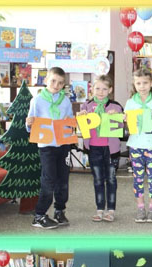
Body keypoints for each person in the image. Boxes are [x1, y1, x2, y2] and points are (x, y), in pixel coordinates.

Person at [27, 66, 74, 229]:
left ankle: (59, 211)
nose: (56, 85)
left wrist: (74, 122)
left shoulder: (66, 101)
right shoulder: (37, 100)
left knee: (63, 181)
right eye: (53, 81)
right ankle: (39, 215)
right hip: (46, 146)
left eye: (60, 83)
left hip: (63, 145)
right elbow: (31, 124)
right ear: (46, 80)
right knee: (48, 180)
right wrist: (29, 123)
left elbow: (69, 120)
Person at [81, 75, 122, 223]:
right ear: (92, 89)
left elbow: (122, 127)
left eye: (104, 89)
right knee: (98, 179)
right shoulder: (86, 106)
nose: (100, 92)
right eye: (97, 88)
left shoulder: (116, 106)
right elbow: (82, 127)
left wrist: (118, 116)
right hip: (94, 148)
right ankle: (99, 209)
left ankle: (110, 210)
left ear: (110, 90)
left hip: (111, 149)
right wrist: (82, 117)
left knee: (111, 179)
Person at [124, 68, 152, 223]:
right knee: (138, 177)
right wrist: (124, 119)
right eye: (138, 83)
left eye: (145, 83)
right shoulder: (130, 102)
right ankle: (140, 208)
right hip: (135, 145)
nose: (142, 86)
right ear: (134, 84)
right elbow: (127, 124)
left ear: (151, 83)